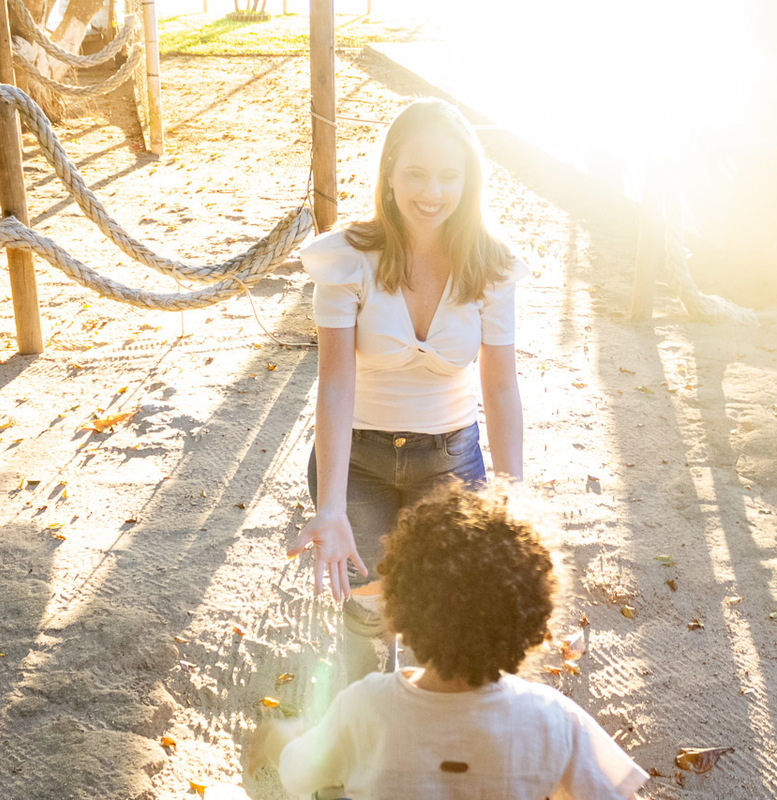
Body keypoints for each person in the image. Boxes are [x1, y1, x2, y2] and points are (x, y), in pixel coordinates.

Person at [287, 97, 528, 676]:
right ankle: (366, 724)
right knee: (368, 623)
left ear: (468, 180)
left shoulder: (491, 265)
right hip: (358, 459)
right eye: (416, 172)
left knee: (440, 634)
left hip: (451, 461)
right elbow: (335, 383)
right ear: (390, 172)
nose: (432, 192)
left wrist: (511, 498)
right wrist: (331, 506)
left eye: (449, 176)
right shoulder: (346, 259)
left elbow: (500, 388)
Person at [252, 483, 650, 799]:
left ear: (401, 606)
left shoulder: (363, 707)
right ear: (529, 618)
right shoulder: (553, 720)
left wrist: (277, 739)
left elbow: (298, 773)